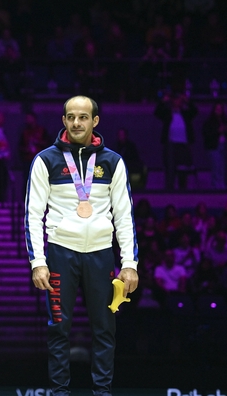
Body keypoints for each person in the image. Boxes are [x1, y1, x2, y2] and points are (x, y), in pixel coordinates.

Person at [25, 95, 139, 396]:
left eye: (83, 117)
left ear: (95, 121)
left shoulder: (113, 161)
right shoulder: (45, 160)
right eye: (71, 117)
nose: (77, 122)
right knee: (58, 329)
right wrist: (38, 262)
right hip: (61, 253)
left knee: (104, 329)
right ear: (63, 121)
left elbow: (124, 215)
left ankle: (102, 393)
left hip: (101, 255)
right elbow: (32, 215)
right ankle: (60, 393)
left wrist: (129, 263)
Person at [154, 90, 198, 190]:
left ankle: (183, 190)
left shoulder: (186, 114)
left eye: (179, 100)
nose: (177, 102)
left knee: (183, 169)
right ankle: (169, 190)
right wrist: (163, 101)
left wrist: (187, 101)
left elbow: (195, 111)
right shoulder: (168, 114)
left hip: (184, 145)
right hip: (171, 145)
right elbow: (157, 112)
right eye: (175, 100)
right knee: (170, 169)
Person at [202, 102, 227, 189]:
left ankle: (222, 186)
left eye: (220, 109)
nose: (219, 111)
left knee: (223, 168)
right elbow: (206, 134)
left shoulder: (225, 120)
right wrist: (217, 131)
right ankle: (216, 187)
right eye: (217, 109)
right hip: (214, 147)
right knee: (216, 167)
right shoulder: (209, 121)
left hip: (224, 146)